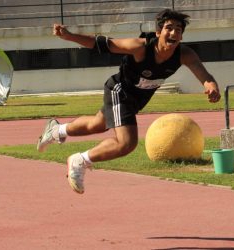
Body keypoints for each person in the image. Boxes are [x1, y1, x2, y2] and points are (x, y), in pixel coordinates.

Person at [37, 9, 221, 194]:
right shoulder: (140, 47)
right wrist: (69, 36)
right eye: (169, 28)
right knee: (127, 142)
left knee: (97, 124)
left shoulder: (184, 54)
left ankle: (56, 130)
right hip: (120, 89)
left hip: (136, 100)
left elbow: (204, 74)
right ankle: (81, 160)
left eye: (178, 29)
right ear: (158, 32)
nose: (173, 33)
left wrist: (211, 85)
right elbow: (103, 43)